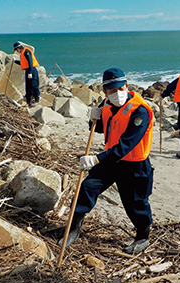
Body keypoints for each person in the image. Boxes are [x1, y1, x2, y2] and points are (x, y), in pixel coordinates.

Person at [58, 68, 154, 254]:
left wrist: (96, 159)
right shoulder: (107, 104)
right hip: (111, 161)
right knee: (86, 189)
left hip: (134, 164)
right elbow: (103, 128)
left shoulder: (140, 111)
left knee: (136, 203)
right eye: (112, 90)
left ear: (127, 86)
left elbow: (126, 145)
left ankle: (142, 237)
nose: (117, 93)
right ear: (105, 91)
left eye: (120, 88)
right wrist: (93, 118)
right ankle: (73, 229)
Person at [13, 41, 40, 107]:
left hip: (32, 70)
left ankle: (37, 100)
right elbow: (23, 63)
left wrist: (30, 72)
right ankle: (28, 102)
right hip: (27, 71)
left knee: (34, 85)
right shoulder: (22, 53)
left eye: (17, 50)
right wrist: (15, 61)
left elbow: (30, 63)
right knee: (28, 87)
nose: (17, 51)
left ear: (19, 48)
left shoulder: (26, 52)